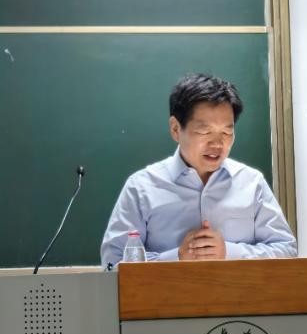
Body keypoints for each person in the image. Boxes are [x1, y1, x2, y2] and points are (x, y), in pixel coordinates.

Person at [100, 73, 297, 267]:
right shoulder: (141, 187)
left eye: (227, 132)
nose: (217, 144)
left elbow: (286, 250)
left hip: (237, 290)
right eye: (205, 131)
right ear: (176, 129)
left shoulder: (252, 183)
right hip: (169, 290)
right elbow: (112, 262)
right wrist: (177, 257)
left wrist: (230, 252)